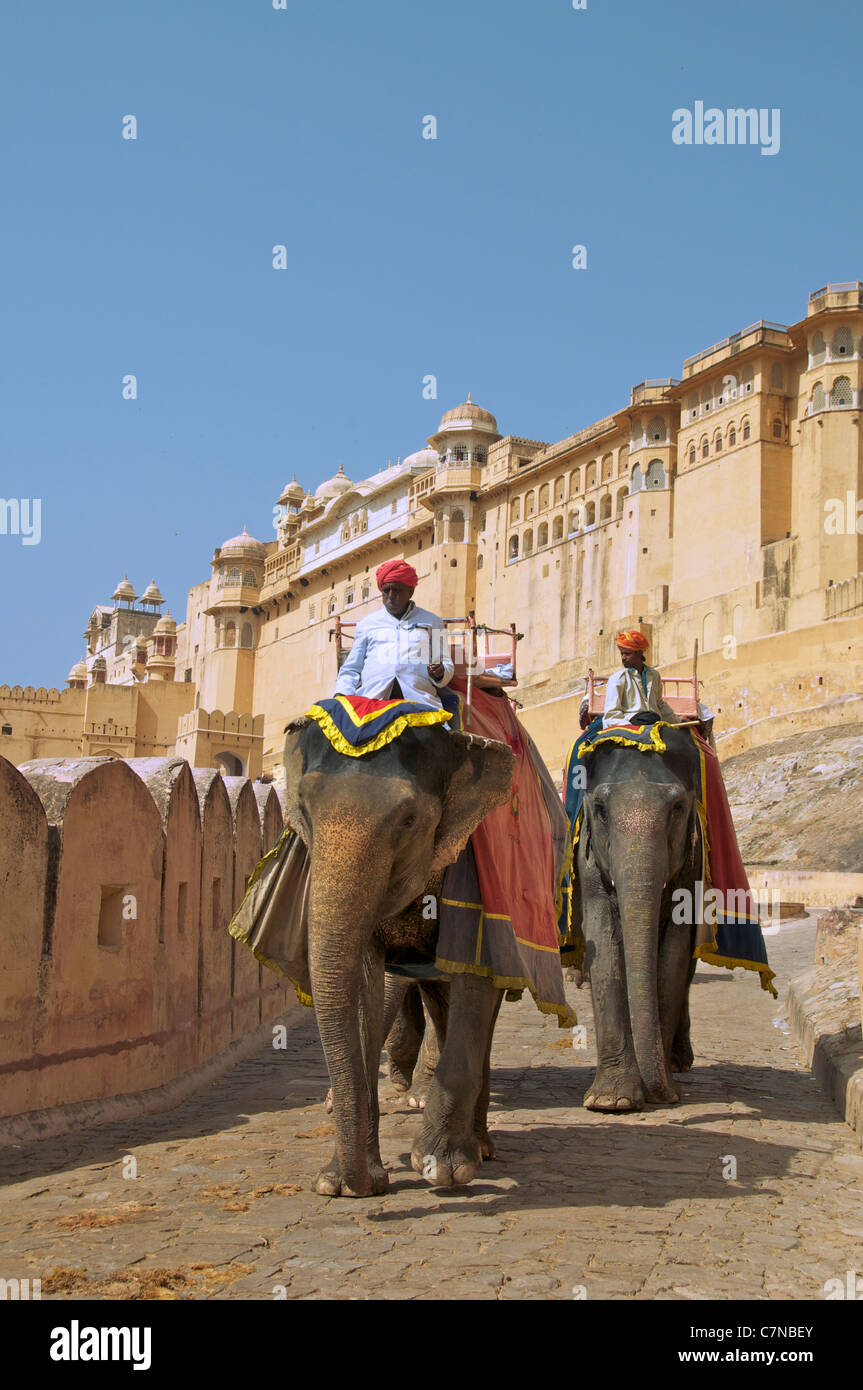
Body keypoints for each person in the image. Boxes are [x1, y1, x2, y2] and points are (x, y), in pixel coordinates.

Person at [333, 559, 454, 709]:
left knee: (438, 732)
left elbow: (446, 663)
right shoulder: (367, 624)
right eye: (386, 590)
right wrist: (341, 693)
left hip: (420, 701)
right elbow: (351, 668)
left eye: (397, 590)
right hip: (372, 701)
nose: (390, 595)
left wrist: (440, 672)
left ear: (410, 591)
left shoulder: (433, 622)